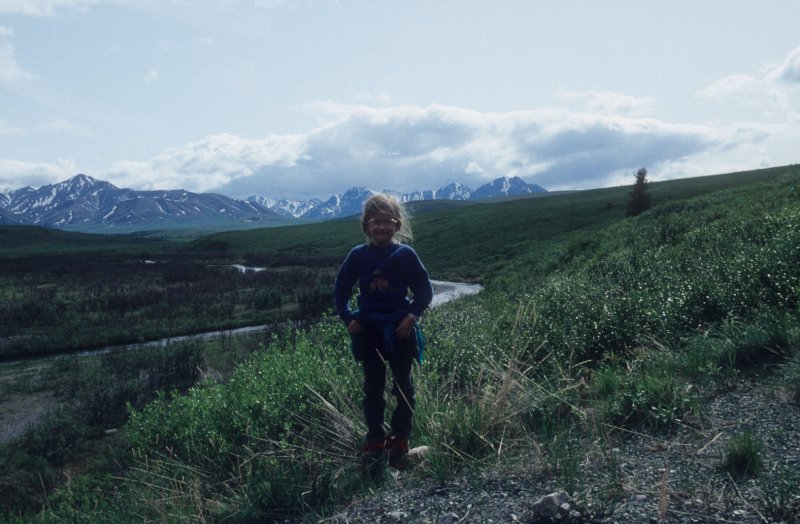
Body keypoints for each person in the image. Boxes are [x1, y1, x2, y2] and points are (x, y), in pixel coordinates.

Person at [333, 193, 434, 461]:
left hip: (401, 330)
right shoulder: (358, 255)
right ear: (366, 226)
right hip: (368, 333)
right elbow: (340, 290)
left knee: (403, 387)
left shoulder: (405, 254)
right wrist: (347, 318)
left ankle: (400, 440)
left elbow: (424, 291)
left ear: (397, 225)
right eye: (375, 222)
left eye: (387, 222)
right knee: (373, 389)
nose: (381, 228)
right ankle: (375, 442)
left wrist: (411, 317)